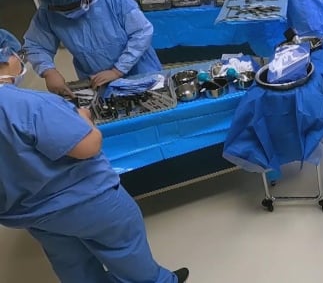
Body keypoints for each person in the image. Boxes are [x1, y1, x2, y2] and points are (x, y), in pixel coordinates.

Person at [0, 29, 188, 283]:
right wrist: (84, 119)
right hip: (86, 202)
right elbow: (87, 146)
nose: (20, 60)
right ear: (5, 58)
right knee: (125, 250)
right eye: (17, 54)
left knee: (74, 267)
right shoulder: (29, 105)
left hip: (32, 214)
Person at [24, 0, 162, 97]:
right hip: (95, 78)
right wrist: (48, 71)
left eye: (72, 6)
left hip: (138, 70)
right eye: (61, 10)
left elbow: (141, 32)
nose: (68, 14)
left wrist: (118, 70)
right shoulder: (48, 11)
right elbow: (36, 44)